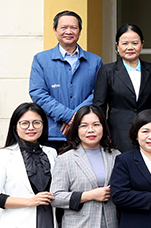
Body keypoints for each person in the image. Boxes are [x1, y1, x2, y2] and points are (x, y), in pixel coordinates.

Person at [29, 10, 102, 143]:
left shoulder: (95, 61)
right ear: (55, 30)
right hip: (52, 133)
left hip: (85, 133)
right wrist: (68, 116)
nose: (68, 32)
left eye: (73, 27)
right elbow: (38, 93)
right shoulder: (41, 59)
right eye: (63, 27)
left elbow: (98, 93)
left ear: (80, 31)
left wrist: (77, 118)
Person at [93, 24, 151, 152]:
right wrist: (102, 134)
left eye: (135, 43)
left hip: (148, 132)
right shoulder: (107, 71)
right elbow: (99, 106)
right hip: (118, 134)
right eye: (125, 43)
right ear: (117, 46)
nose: (130, 47)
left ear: (142, 45)